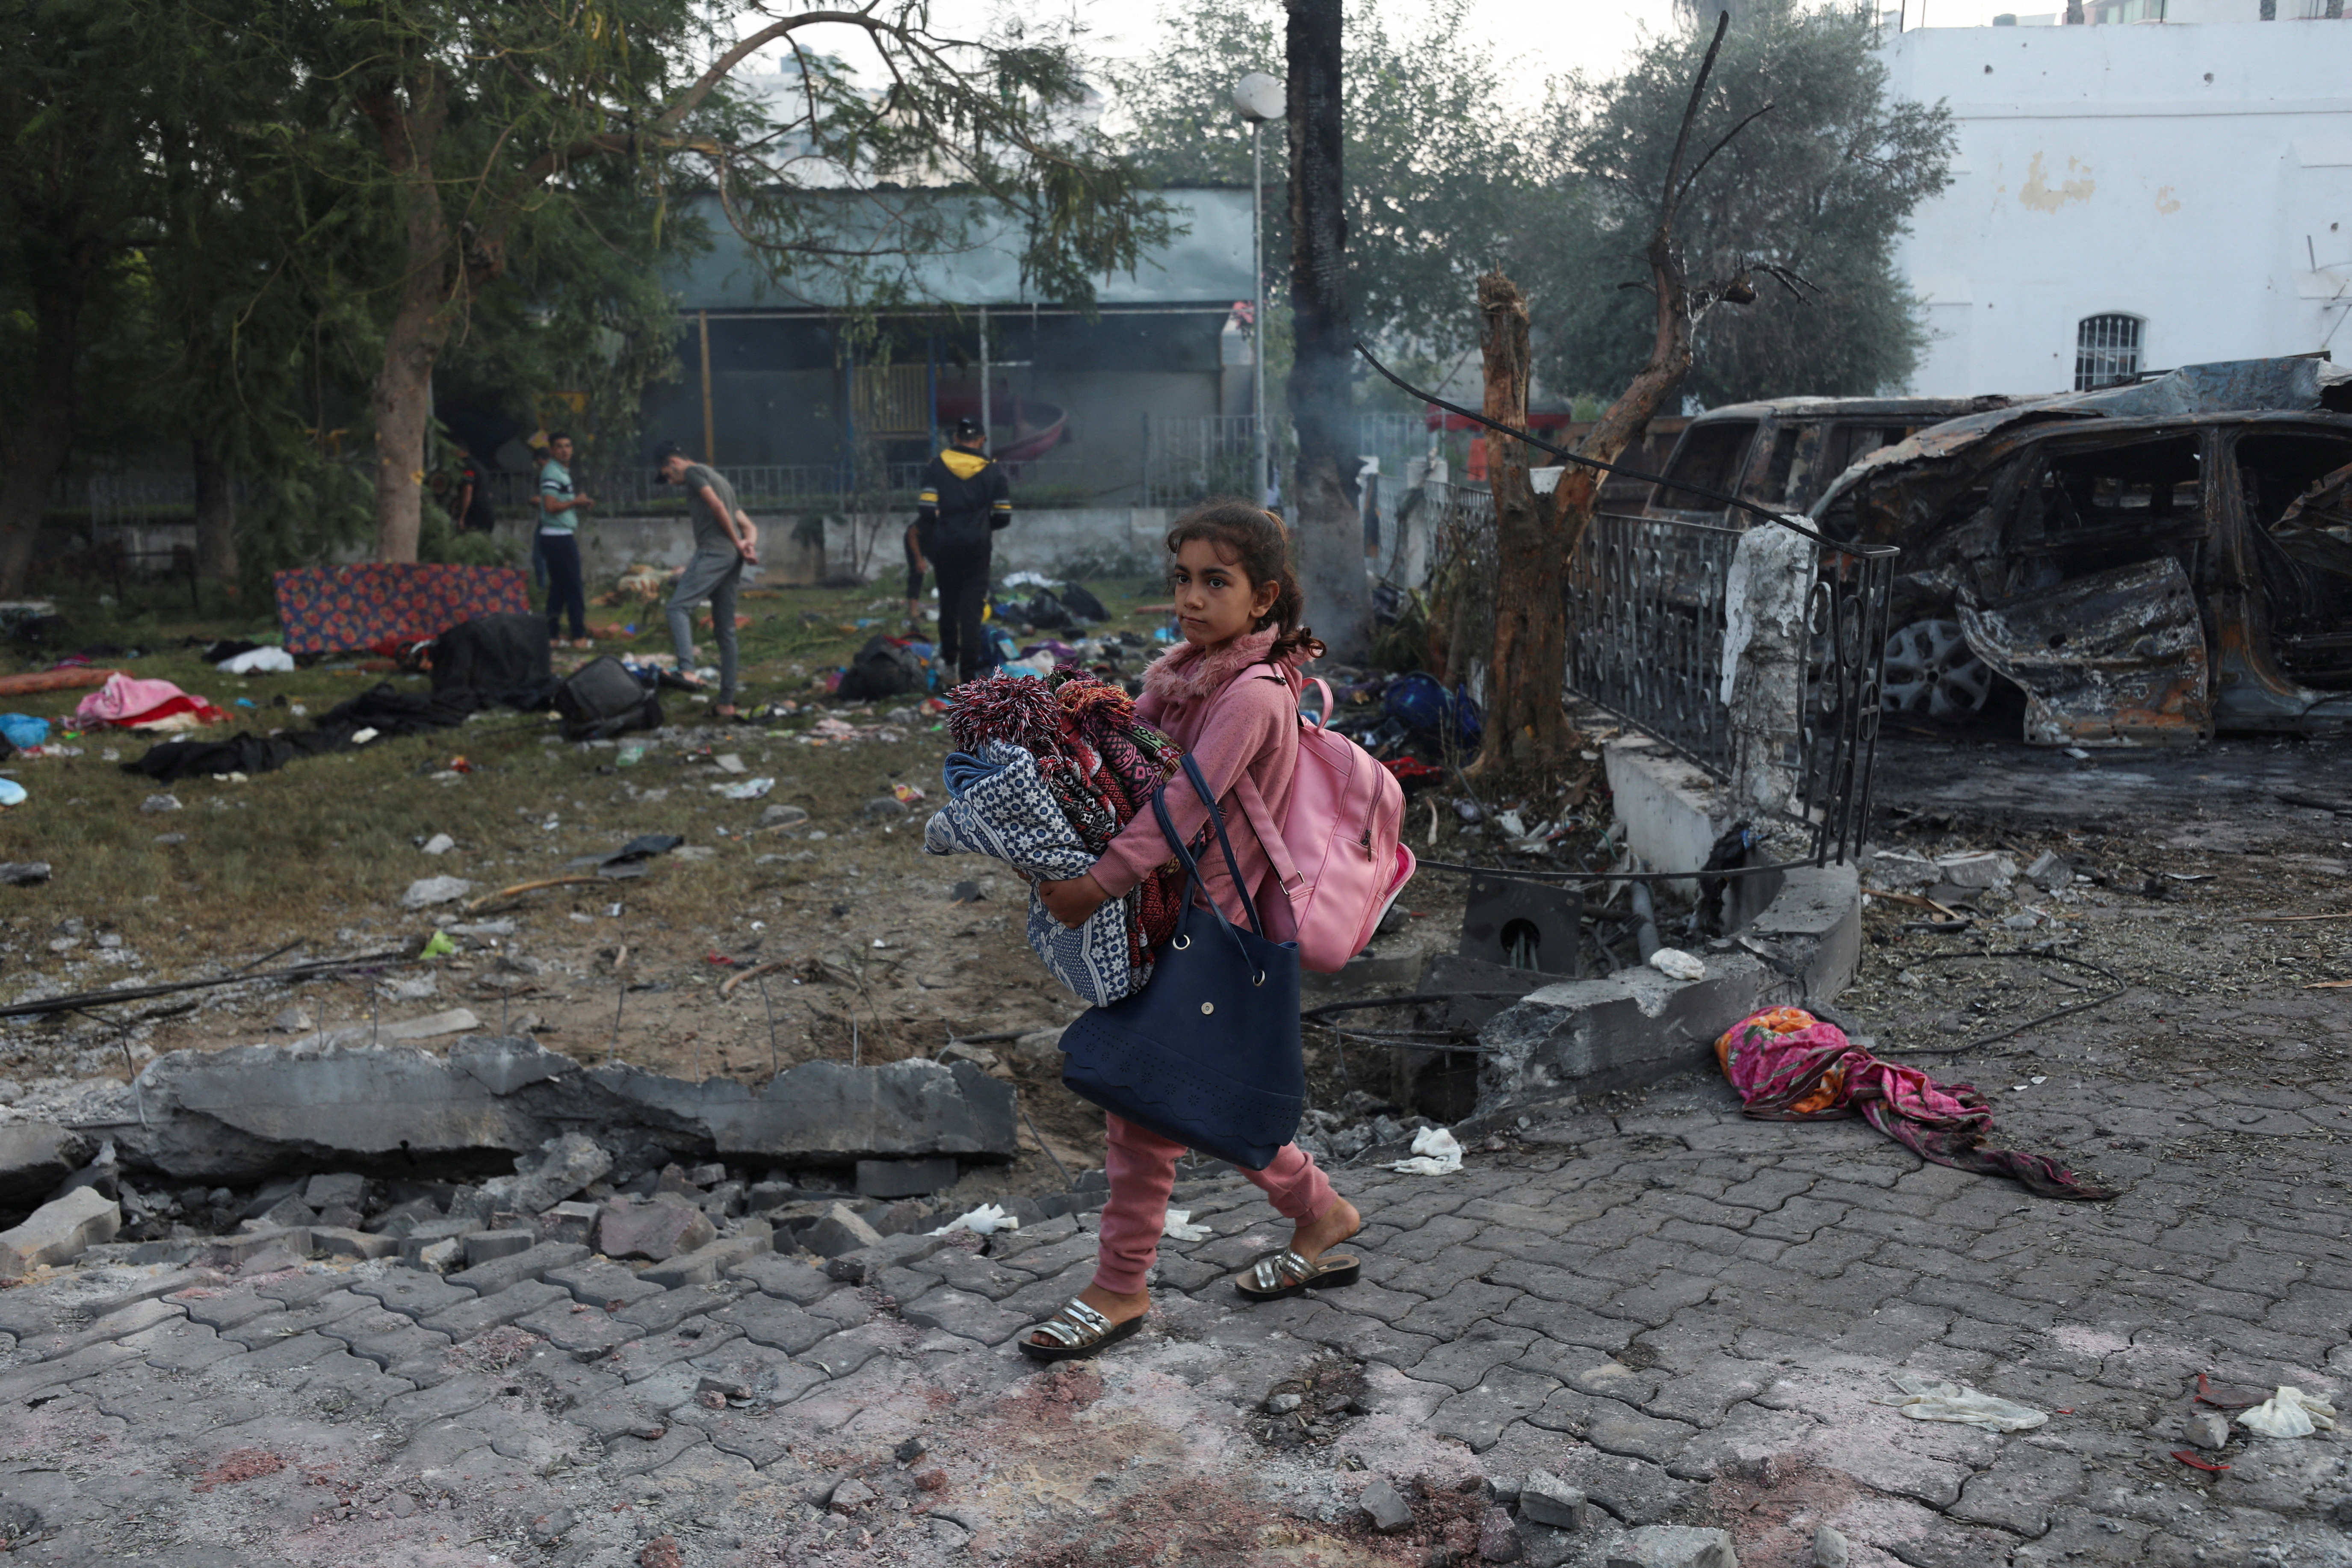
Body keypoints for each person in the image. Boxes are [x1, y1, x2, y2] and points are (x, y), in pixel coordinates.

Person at [1022, 501, 1362, 1361]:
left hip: (1218, 927)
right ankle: (1319, 1213)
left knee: (1145, 1105)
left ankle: (1120, 1287)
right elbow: (1134, 763)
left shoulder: (1248, 694)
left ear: (1264, 599)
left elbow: (1183, 803)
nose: (1191, 598)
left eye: (1217, 582)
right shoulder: (1186, 675)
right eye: (1182, 579)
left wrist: (1097, 884)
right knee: (1192, 1098)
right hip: (1178, 918)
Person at [653, 440, 757, 719]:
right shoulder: (720, 478)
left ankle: (687, 670)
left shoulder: (693, 473)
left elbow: (715, 505)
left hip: (715, 551)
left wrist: (736, 542)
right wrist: (747, 545)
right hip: (732, 559)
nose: (671, 482)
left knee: (677, 607)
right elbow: (749, 525)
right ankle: (726, 704)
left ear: (673, 463)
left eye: (667, 475)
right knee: (726, 631)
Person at [914, 416, 1011, 685]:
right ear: (982, 441)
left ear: (956, 439)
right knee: (971, 613)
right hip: (977, 549)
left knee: (948, 607)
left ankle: (949, 666)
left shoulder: (936, 467)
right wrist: (980, 527)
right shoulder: (993, 471)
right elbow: (1003, 516)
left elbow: (925, 510)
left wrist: (940, 529)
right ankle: (968, 679)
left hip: (945, 548)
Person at [538, 432, 592, 648]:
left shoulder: (560, 472)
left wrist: (578, 503)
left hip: (557, 536)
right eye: (559, 446)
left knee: (559, 588)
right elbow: (551, 507)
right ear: (552, 450)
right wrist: (575, 502)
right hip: (558, 537)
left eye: (568, 445)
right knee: (573, 587)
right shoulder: (552, 472)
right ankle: (579, 636)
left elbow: (557, 502)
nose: (565, 450)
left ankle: (552, 636)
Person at [452, 443, 496, 534]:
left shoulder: (467, 466)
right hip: (488, 511)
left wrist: (462, 517)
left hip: (476, 512)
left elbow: (468, 491)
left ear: (459, 452)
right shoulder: (478, 466)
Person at [902, 522, 928, 633]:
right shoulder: (932, 517)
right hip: (916, 539)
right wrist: (919, 560)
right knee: (917, 572)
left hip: (936, 543)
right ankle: (913, 613)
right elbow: (912, 533)